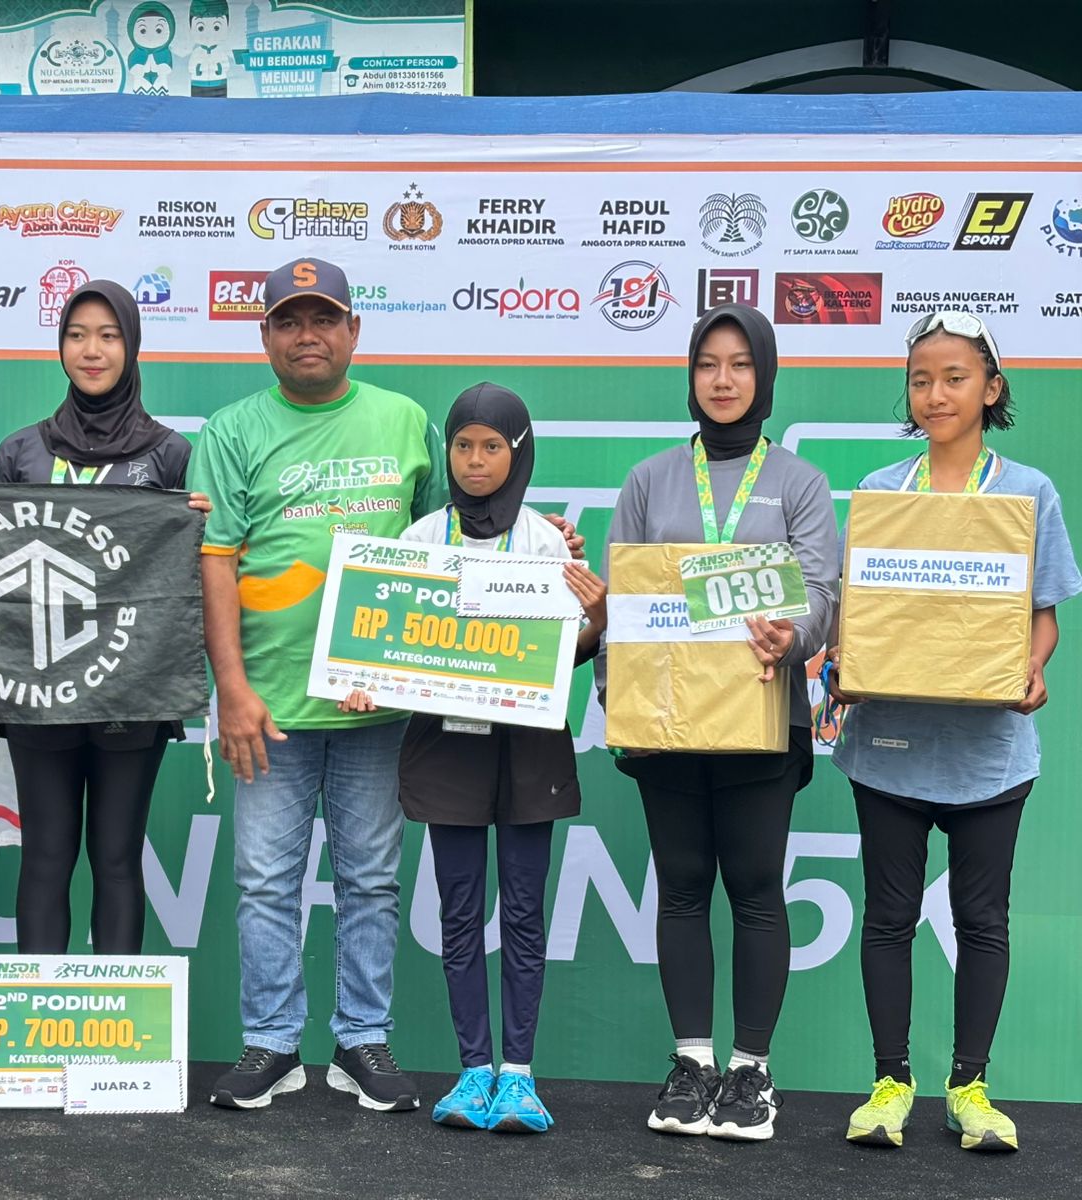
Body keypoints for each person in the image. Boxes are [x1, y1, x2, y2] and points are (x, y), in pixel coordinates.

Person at [190, 258, 584, 1113]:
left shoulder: (405, 421)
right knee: (264, 882)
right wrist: (231, 688)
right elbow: (214, 561)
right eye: (289, 321)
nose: (307, 335)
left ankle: (361, 1038)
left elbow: (465, 535)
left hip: (380, 706)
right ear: (265, 335)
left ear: (354, 331)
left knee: (370, 882)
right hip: (269, 703)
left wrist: (544, 549)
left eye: (323, 318)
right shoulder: (230, 430)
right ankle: (272, 1044)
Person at [0, 280, 209, 955]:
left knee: (117, 858)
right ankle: (39, 1008)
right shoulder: (23, 451)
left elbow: (188, 576)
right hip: (36, 689)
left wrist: (202, 528)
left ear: (132, 345)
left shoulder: (169, 454)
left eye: (108, 336)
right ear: (60, 346)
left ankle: (115, 1013)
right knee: (46, 857)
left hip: (131, 691)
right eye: (77, 335)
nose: (92, 351)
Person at [829, 312, 1080, 1152]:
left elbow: (1042, 618)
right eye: (920, 380)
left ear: (991, 388)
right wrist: (843, 659)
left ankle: (970, 1087)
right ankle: (889, 1085)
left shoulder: (1029, 491)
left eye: (954, 378)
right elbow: (859, 613)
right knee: (888, 918)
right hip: (889, 749)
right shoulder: (882, 490)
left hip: (989, 756)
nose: (935, 394)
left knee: (983, 922)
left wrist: (1033, 667)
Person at [338, 382, 607, 1134]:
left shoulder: (548, 542)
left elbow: (566, 656)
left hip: (529, 749)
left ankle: (518, 1076)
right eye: (463, 445)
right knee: (458, 913)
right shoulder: (423, 536)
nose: (476, 461)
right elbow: (388, 641)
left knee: (522, 912)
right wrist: (364, 677)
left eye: (493, 446)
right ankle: (471, 1072)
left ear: (519, 452)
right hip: (445, 747)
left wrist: (596, 618)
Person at [599, 303, 838, 1141]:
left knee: (756, 886)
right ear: (691, 377)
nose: (723, 380)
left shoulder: (799, 482)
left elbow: (822, 592)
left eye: (740, 364)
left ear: (763, 375)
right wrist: (617, 693)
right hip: (666, 723)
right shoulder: (649, 479)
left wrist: (792, 634)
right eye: (708, 364)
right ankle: (692, 1062)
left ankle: (751, 1072)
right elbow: (624, 601)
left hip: (760, 716)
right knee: (682, 883)